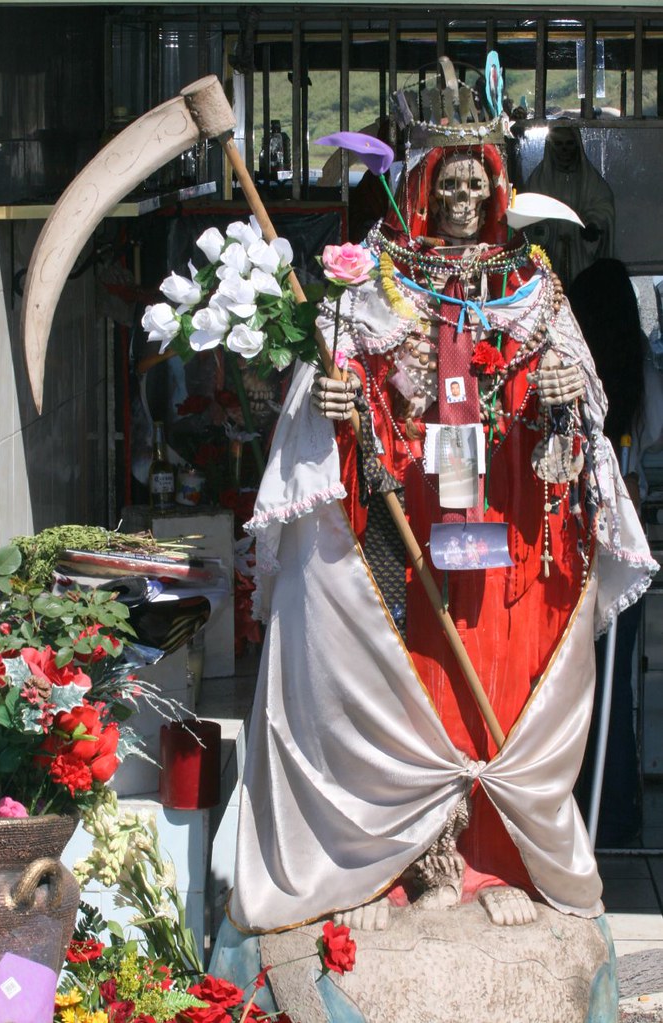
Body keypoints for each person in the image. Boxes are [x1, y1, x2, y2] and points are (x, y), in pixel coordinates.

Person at [225, 117, 656, 937]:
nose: (463, 199)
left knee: (498, 676)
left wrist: (563, 389)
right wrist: (338, 398)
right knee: (398, 678)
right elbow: (329, 393)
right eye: (448, 183)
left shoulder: (532, 281)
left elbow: (584, 410)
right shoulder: (375, 280)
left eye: (476, 183)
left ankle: (497, 860)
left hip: (505, 528)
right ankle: (395, 864)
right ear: (423, 188)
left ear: (496, 190)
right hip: (403, 526)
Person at [568, 258, 647, 846]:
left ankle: (575, 810)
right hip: (625, 537)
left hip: (575, 541)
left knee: (572, 687)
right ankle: (617, 813)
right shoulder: (640, 371)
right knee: (616, 688)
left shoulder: (574, 363)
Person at [524, 121, 615, 290]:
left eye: (569, 144)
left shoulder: (590, 180)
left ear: (577, 145)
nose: (564, 150)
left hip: (581, 256)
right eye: (558, 144)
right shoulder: (538, 180)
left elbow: (604, 208)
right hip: (549, 254)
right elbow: (527, 212)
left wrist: (592, 224)